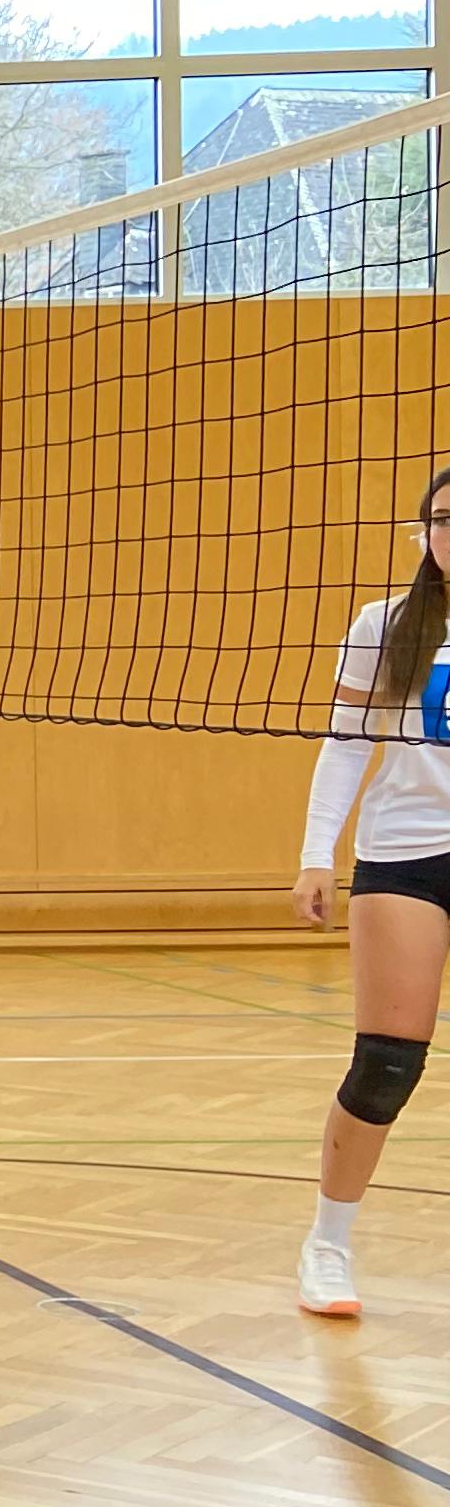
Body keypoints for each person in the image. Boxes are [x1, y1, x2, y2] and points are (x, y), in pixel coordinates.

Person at [290, 465, 450, 1319]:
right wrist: (318, 853)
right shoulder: (386, 622)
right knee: (387, 1065)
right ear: (424, 533)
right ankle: (328, 1246)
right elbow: (346, 744)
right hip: (408, 855)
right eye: (445, 520)